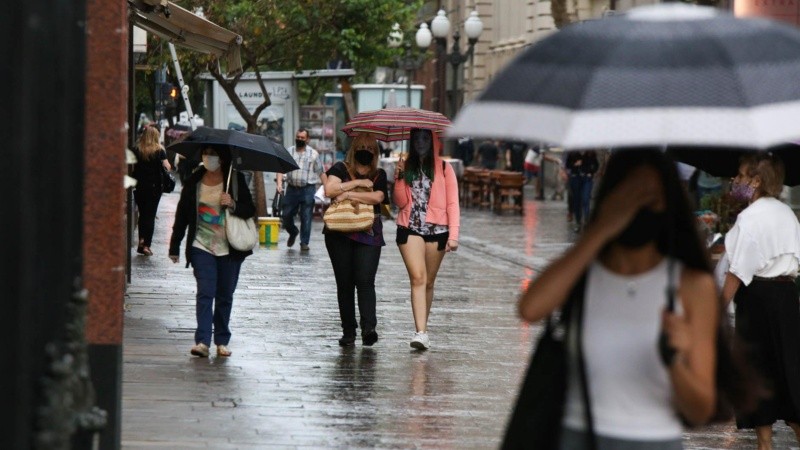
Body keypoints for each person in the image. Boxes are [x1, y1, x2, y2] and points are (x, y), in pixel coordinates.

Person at [518, 149, 720, 448]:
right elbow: (530, 308)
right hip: (579, 436)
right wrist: (600, 230)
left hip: (654, 440)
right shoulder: (583, 269)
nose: (637, 207)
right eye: (629, 194)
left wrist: (675, 360)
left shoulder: (691, 285)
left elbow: (701, 409)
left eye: (648, 197)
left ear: (667, 203)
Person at [721, 153, 800, 449]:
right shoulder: (786, 213)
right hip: (787, 299)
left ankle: (764, 446)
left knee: (757, 374)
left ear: (755, 181)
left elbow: (737, 272)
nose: (735, 181)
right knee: (790, 372)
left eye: (740, 176)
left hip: (757, 301)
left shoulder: (750, 218)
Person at [168, 147, 256, 358]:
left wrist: (233, 203)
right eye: (205, 152)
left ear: (222, 157)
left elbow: (250, 209)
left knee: (225, 295)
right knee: (206, 292)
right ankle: (202, 341)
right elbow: (182, 215)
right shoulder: (193, 181)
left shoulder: (234, 180)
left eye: (213, 153)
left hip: (229, 248)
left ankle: (222, 341)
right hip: (201, 245)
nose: (209, 157)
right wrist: (175, 245)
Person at [394, 128, 460, 350]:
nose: (420, 142)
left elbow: (453, 203)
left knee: (429, 282)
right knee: (418, 278)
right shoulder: (406, 166)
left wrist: (454, 235)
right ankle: (420, 332)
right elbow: (400, 202)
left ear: (432, 141)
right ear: (411, 141)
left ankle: (424, 328)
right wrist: (400, 176)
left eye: (425, 138)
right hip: (409, 227)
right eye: (416, 138)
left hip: (437, 230)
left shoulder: (443, 168)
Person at [322, 135, 389, 347]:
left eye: (369, 147)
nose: (365, 150)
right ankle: (348, 331)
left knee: (365, 280)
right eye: (360, 147)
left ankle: (369, 328)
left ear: (375, 153)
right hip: (338, 232)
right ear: (353, 149)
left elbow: (378, 197)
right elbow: (329, 190)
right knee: (345, 283)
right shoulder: (340, 168)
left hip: (369, 232)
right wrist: (359, 184)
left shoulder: (379, 174)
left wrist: (348, 195)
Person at [277, 128, 323, 251]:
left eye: (302, 138)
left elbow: (320, 172)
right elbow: (281, 168)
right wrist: (279, 183)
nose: (300, 139)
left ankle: (304, 242)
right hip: (292, 189)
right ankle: (293, 232)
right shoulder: (289, 151)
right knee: (286, 215)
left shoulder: (313, 154)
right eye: (298, 137)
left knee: (306, 216)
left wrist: (327, 187)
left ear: (307, 139)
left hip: (308, 189)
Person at [132, 125, 172, 256]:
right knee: (150, 216)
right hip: (154, 188)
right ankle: (146, 246)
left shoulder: (137, 149)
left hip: (140, 186)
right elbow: (168, 167)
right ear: (156, 137)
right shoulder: (159, 150)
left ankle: (141, 241)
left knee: (143, 215)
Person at [566, 150, 599, 232]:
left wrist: (590, 172)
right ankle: (578, 222)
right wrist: (576, 164)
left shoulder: (590, 153)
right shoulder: (573, 153)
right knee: (577, 201)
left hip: (586, 179)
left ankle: (587, 222)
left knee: (585, 199)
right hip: (576, 178)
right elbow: (568, 165)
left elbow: (595, 165)